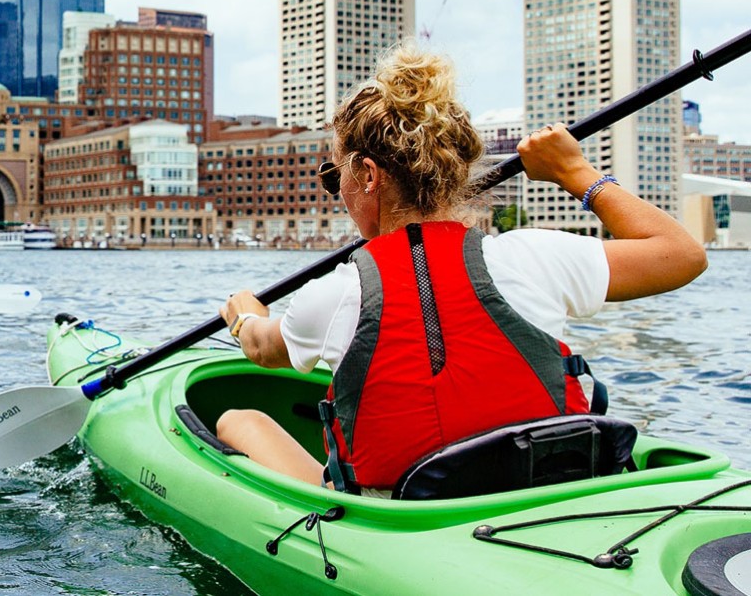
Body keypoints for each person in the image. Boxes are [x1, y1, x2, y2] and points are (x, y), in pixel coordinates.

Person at [217, 44, 707, 496]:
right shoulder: (533, 257)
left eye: (334, 175)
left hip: (406, 517)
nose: (336, 191)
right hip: (546, 492)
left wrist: (244, 315)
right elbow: (681, 253)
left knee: (239, 421)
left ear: (367, 175)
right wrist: (574, 172)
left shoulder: (335, 295)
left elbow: (262, 349)